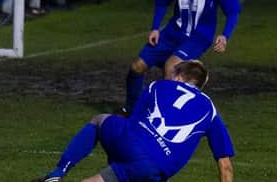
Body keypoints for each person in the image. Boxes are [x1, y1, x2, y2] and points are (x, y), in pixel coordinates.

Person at [32, 60, 234, 182]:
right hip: (154, 170)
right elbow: (225, 165)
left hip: (133, 145)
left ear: (180, 77)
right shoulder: (210, 109)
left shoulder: (158, 85)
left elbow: (133, 121)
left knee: (99, 120)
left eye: (173, 73)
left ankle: (58, 171)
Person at [123, 0, 241, 114]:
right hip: (172, 32)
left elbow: (233, 9)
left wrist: (225, 35)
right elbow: (162, 1)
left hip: (199, 36)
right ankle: (131, 110)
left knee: (172, 67)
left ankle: (165, 115)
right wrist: (155, 28)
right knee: (136, 67)